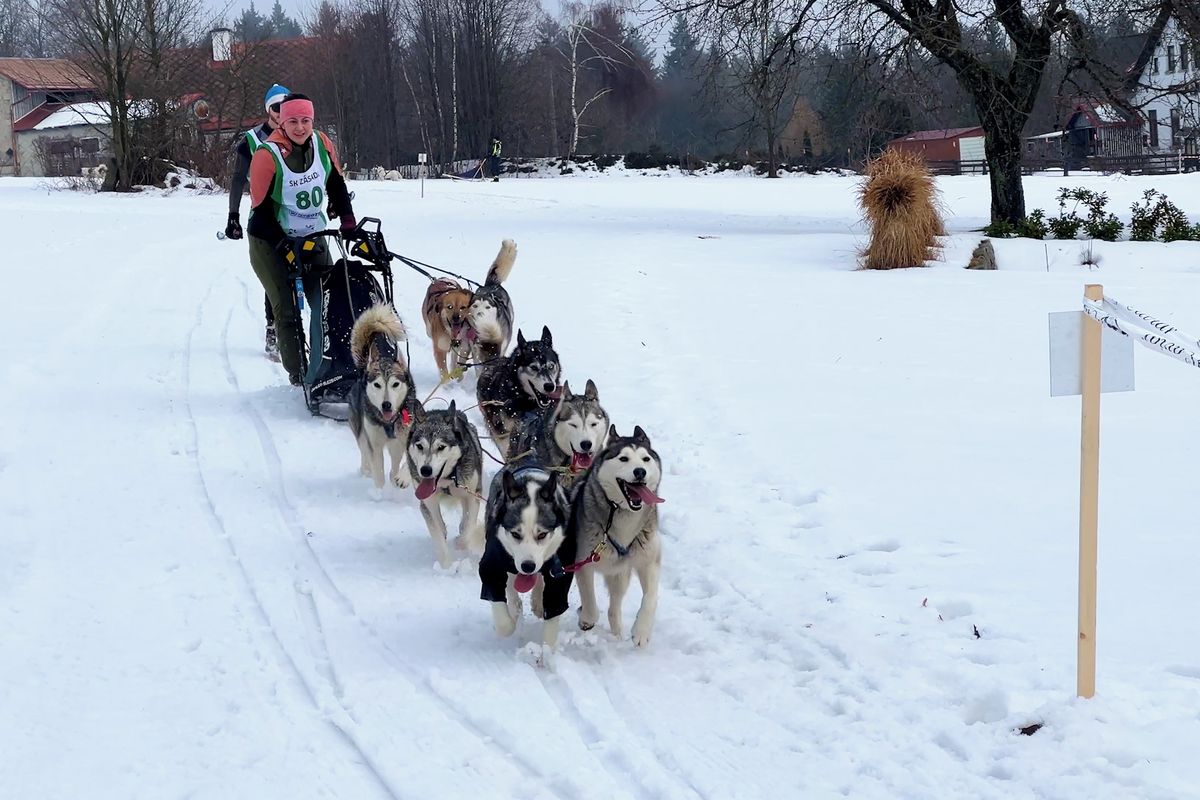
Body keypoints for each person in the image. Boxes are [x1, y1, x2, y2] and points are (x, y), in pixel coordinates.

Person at [247, 93, 357, 386]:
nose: (300, 127)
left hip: (312, 233)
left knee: (329, 300)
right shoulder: (266, 156)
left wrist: (347, 219)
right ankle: (299, 376)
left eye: (305, 120)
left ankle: (334, 366)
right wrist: (283, 246)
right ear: (281, 123)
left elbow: (335, 182)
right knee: (287, 309)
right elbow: (260, 215)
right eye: (292, 121)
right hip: (269, 239)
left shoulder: (321, 143)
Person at [225, 82, 290, 361]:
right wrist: (233, 216)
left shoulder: (298, 135)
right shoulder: (251, 141)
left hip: (295, 215)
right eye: (276, 107)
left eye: (286, 106)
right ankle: (273, 328)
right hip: (264, 216)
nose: (281, 112)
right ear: (268, 110)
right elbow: (238, 179)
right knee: (274, 277)